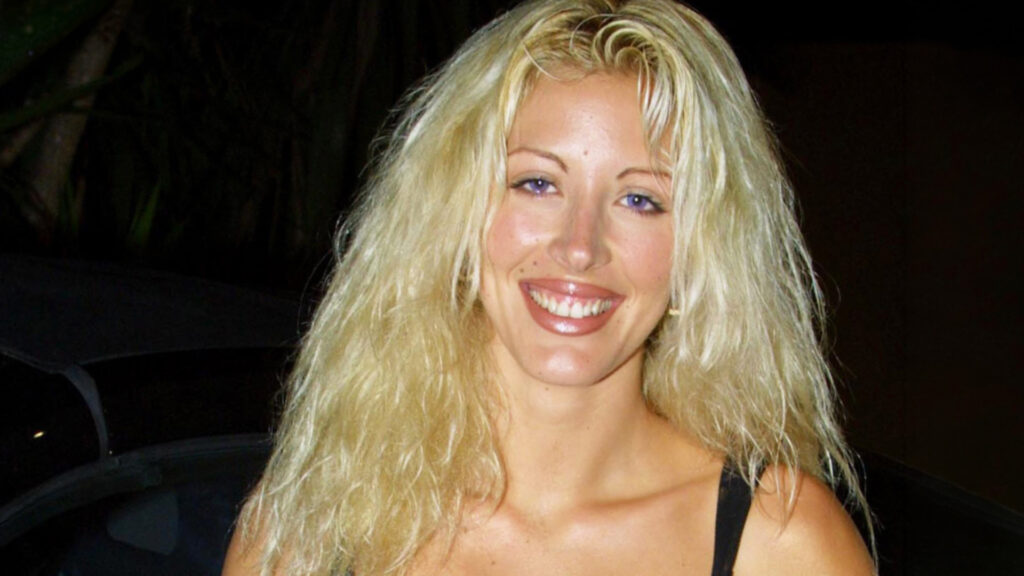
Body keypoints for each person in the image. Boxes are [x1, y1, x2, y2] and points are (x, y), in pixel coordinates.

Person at [223, 0, 875, 574]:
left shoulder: (779, 543)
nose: (579, 247)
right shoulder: (313, 524)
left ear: (703, 248)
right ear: (454, 210)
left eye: (641, 199)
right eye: (536, 183)